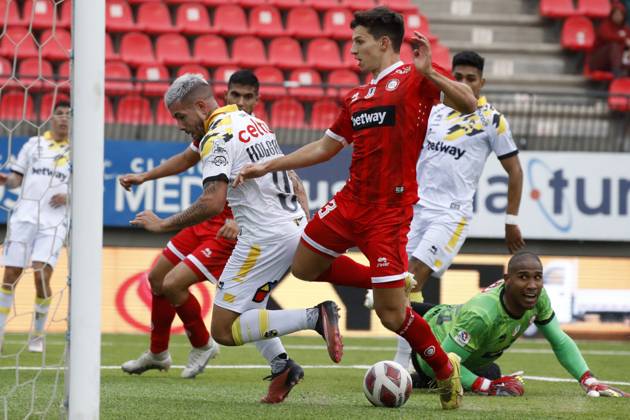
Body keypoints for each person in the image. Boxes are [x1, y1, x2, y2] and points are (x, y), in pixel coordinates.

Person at [234, 7, 478, 410]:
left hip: (388, 213)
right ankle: (389, 280)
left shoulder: (415, 78)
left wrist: (431, 70)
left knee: (391, 315)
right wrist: (268, 163)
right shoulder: (357, 96)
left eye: (359, 41)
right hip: (349, 203)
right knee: (304, 265)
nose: (353, 50)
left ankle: (445, 372)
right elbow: (325, 146)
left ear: (384, 43)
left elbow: (469, 104)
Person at [130, 73, 342, 403]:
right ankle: (282, 366)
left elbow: (212, 202)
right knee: (246, 306)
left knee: (223, 327)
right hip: (281, 226)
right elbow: (283, 171)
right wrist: (147, 176)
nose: (179, 125)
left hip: (257, 235)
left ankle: (315, 316)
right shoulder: (245, 120)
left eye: (180, 117)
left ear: (200, 106)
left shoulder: (219, 134)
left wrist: (163, 224)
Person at [375, 50, 525, 368]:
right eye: (458, 77)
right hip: (416, 209)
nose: (464, 83)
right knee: (405, 283)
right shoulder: (434, 113)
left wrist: (511, 219)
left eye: (471, 78)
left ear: (482, 82)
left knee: (411, 280)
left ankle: (403, 365)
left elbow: (515, 170)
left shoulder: (492, 120)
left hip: (451, 213)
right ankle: (422, 360)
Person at [408, 252, 629, 398]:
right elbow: (440, 363)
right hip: (430, 350)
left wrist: (588, 379)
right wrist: (486, 387)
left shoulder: (539, 297)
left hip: (460, 335)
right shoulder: (482, 314)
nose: (532, 285)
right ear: (508, 279)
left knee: (493, 373)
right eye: (523, 277)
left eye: (538, 277)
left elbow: (559, 340)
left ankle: (422, 381)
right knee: (478, 380)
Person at [0, 101, 71, 353]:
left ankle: (37, 334)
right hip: (24, 217)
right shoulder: (34, 145)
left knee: (41, 274)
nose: (63, 119)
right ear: (51, 118)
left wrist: (69, 195)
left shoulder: (80, 151)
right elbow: (15, 180)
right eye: (59, 114)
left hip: (54, 222)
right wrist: (5, 180)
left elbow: (93, 190)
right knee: (10, 276)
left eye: (68, 115)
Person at [588, 1, 630, 77]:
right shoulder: (605, 26)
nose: (618, 17)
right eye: (616, 14)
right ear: (612, 15)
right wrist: (624, 39)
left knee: (627, 49)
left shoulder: (626, 29)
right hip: (598, 61)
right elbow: (607, 36)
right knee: (613, 46)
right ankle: (617, 72)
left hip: (616, 62)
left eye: (621, 15)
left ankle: (626, 71)